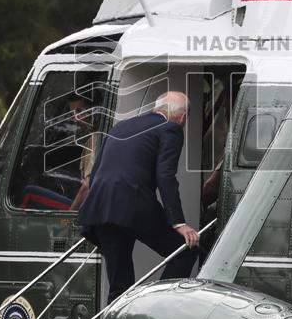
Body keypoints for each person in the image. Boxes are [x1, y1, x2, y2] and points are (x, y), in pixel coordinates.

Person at [78, 91, 200, 303]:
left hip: (101, 209)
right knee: (185, 252)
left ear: (157, 107)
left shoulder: (120, 127)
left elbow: (94, 176)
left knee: (119, 286)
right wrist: (178, 223)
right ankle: (159, 307)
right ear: (183, 117)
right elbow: (166, 176)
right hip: (133, 205)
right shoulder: (170, 129)